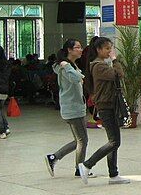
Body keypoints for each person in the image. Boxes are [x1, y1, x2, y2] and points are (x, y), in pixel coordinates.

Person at [77, 37, 129, 185]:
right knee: (114, 142)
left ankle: (113, 174)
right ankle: (87, 165)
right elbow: (119, 74)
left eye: (111, 48)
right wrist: (115, 60)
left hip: (110, 104)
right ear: (98, 50)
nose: (110, 51)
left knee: (114, 141)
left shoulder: (101, 64)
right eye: (107, 48)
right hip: (106, 106)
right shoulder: (98, 66)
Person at [45, 39, 89, 178]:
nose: (80, 50)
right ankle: (79, 169)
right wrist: (68, 67)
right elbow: (76, 79)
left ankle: (54, 158)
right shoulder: (65, 67)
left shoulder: (70, 65)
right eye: (77, 47)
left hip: (74, 106)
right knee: (83, 140)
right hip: (73, 108)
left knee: (79, 140)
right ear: (69, 50)